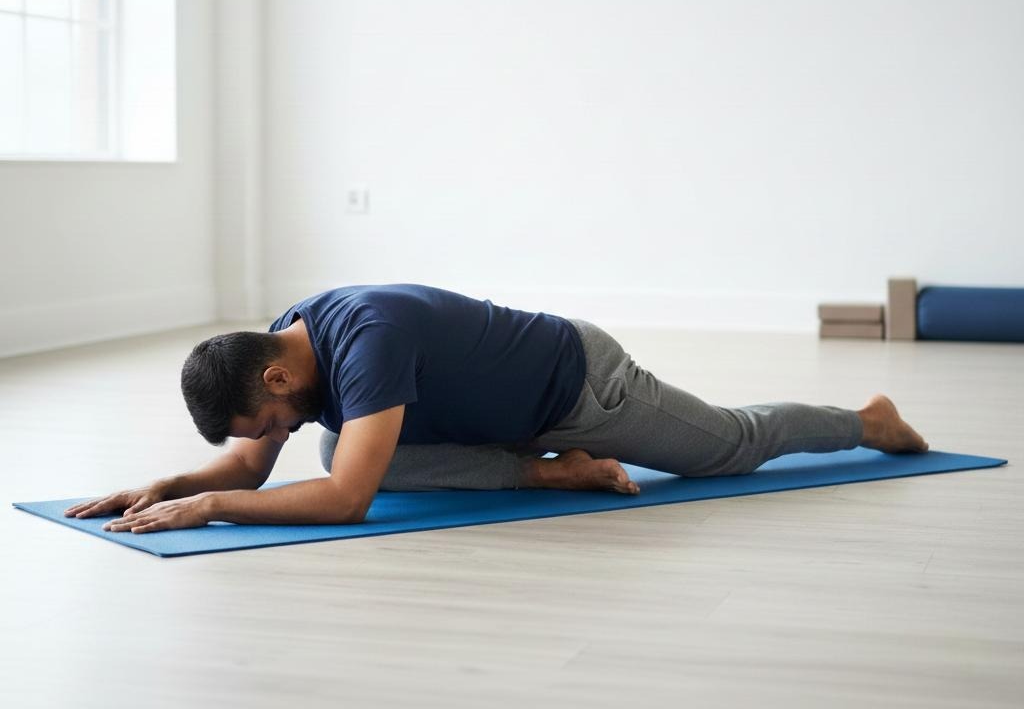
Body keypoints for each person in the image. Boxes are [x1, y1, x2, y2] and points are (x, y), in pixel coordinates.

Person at [64, 283, 929, 535]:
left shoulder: (365, 340)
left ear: (276, 382)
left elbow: (346, 505)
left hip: (582, 388)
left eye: (266, 422)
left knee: (731, 446)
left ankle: (866, 419)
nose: (269, 441)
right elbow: (252, 465)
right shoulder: (286, 346)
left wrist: (211, 503)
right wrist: (162, 484)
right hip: (497, 419)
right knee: (338, 450)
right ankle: (549, 478)